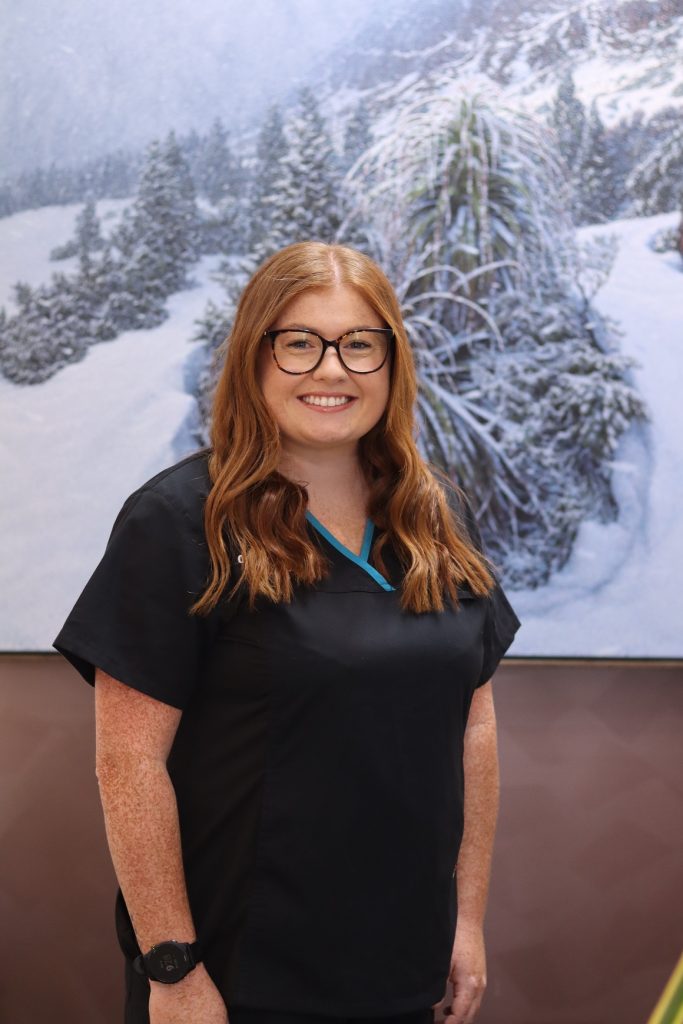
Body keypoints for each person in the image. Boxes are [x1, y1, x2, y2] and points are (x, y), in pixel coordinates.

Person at [53, 240, 521, 1024]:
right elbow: (128, 765)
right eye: (300, 342)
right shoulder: (178, 522)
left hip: (403, 966)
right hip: (236, 976)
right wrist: (172, 968)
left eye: (359, 344)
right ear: (253, 356)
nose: (331, 370)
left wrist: (465, 919)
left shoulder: (436, 516)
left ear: (391, 363)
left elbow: (471, 728)